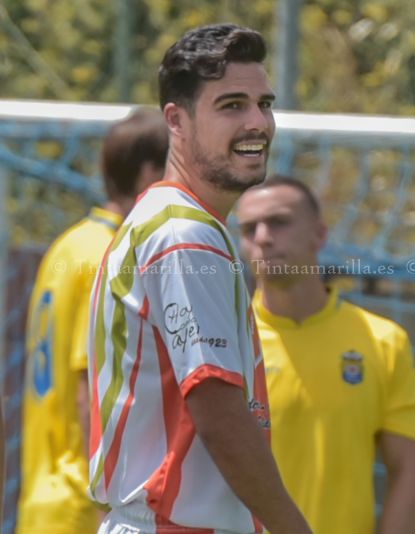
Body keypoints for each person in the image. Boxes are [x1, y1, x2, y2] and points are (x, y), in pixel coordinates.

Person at [87, 24, 310, 534]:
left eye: (264, 104)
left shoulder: (171, 220)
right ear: (176, 120)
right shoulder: (183, 234)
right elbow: (218, 410)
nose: (257, 122)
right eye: (231, 105)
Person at [237, 175, 415, 534]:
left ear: (319, 234)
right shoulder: (224, 343)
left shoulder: (383, 342)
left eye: (279, 222)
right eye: (249, 228)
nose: (263, 237)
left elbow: (409, 469)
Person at [18, 107, 169, 534]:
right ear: (149, 176)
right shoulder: (111, 253)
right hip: (84, 509)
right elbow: (92, 387)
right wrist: (110, 505)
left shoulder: (70, 243)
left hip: (45, 501)